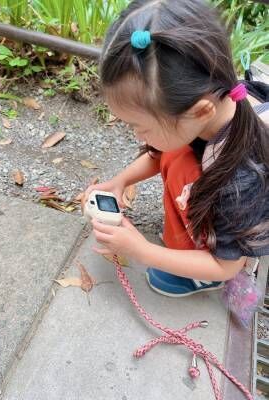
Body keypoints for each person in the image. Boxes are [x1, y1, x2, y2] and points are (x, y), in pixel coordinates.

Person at [85, 0, 269, 297]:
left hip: (233, 237)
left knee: (183, 166)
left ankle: (196, 274)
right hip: (221, 181)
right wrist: (120, 181)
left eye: (140, 127)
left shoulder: (240, 183)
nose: (136, 135)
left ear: (199, 112)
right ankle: (188, 241)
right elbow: (160, 153)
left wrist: (142, 251)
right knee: (175, 154)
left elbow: (226, 266)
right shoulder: (211, 95)